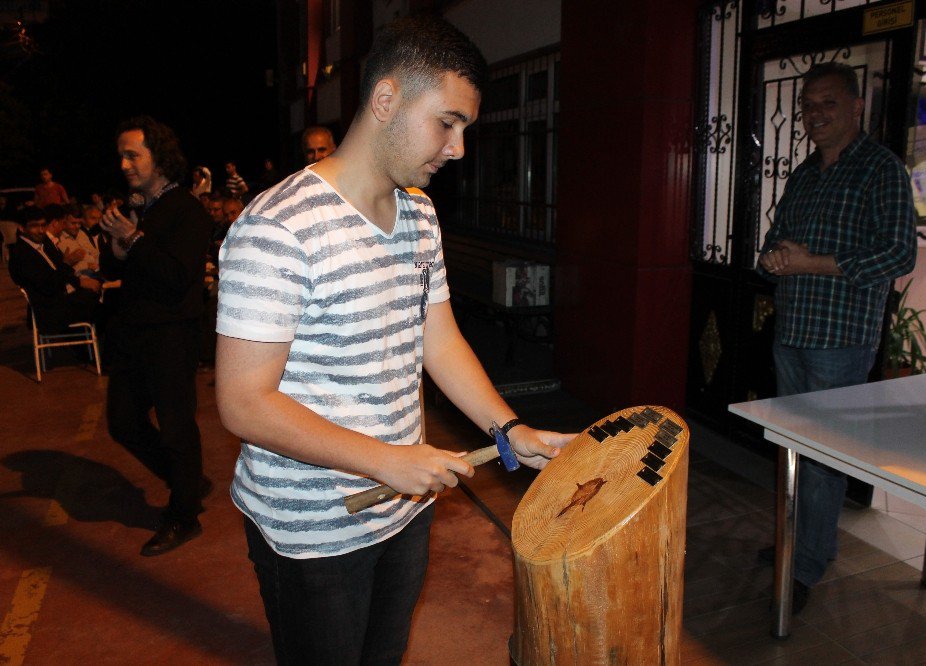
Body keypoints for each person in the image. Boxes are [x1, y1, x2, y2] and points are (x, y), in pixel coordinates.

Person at [214, 16, 574, 664]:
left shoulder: (418, 213)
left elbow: (438, 341)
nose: (459, 148)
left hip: (404, 509)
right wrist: (385, 459)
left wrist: (508, 429)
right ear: (386, 100)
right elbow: (242, 402)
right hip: (314, 530)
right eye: (448, 122)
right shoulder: (276, 227)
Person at [757, 62, 917, 613]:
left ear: (855, 107)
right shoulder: (803, 174)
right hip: (793, 330)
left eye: (827, 102)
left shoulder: (881, 169)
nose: (815, 114)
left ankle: (805, 564)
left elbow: (899, 254)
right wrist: (773, 258)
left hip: (840, 340)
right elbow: (776, 242)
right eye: (807, 105)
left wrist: (813, 264)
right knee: (793, 447)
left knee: (823, 458)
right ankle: (796, 541)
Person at [99, 115, 213, 557]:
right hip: (132, 333)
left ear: (159, 157)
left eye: (133, 155)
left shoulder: (186, 210)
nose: (124, 164)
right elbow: (118, 273)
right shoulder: (134, 208)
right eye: (121, 156)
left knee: (175, 427)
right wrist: (116, 248)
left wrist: (135, 240)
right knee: (123, 422)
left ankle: (184, 516)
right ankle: (188, 480)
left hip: (171, 334)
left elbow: (176, 276)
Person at [9, 207, 101, 332]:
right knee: (106, 311)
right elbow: (48, 286)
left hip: (63, 300)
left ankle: (92, 347)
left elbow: (60, 270)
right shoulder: (20, 255)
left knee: (104, 295)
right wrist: (68, 263)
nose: (41, 230)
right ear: (21, 228)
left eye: (43, 225)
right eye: (34, 226)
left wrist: (79, 281)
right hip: (50, 310)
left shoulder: (44, 242)